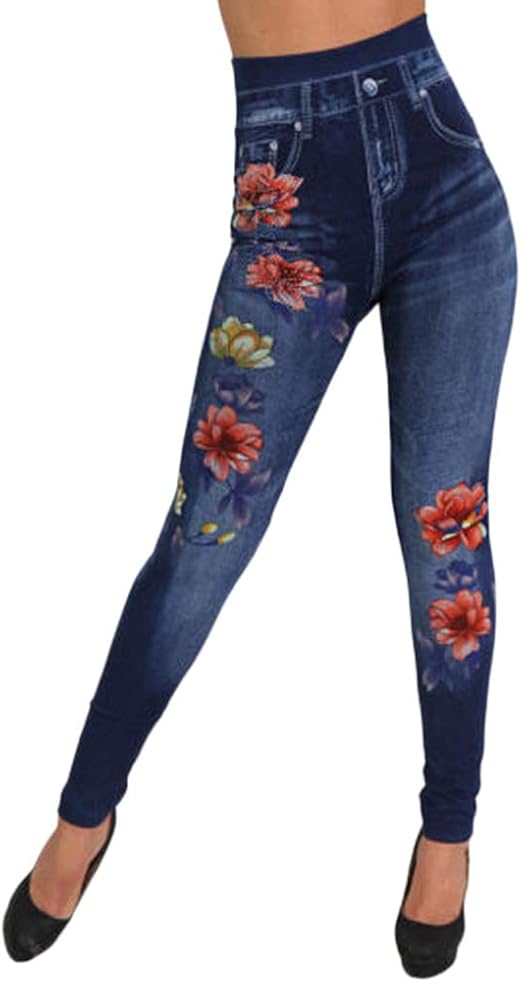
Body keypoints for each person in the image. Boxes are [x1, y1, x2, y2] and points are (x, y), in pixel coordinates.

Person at [3, 1, 517, 974]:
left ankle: (449, 828)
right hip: (291, 191)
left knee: (446, 536)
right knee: (204, 537)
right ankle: (86, 808)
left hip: (442, 161)